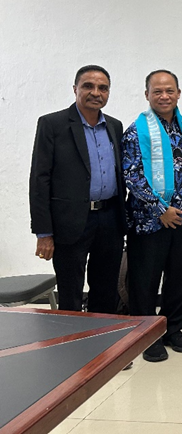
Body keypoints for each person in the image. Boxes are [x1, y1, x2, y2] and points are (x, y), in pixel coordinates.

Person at [29, 65, 126, 314]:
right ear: (75, 89)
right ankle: (70, 346)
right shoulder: (53, 124)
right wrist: (43, 232)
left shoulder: (115, 126)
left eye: (103, 88)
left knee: (105, 289)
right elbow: (40, 180)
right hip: (69, 223)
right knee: (70, 291)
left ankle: (101, 345)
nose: (96, 92)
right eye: (88, 86)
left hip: (109, 219)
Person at [122, 69, 182, 362]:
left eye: (170, 91)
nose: (164, 96)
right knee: (145, 279)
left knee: (177, 277)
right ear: (147, 95)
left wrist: (179, 211)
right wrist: (160, 210)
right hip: (149, 220)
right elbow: (132, 175)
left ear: (178, 93)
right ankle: (145, 334)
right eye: (157, 91)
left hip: (181, 218)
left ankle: (172, 328)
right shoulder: (136, 130)